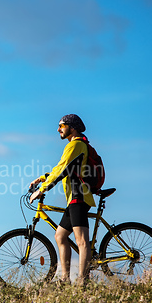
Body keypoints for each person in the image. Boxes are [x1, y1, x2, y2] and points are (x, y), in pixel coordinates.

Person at [29, 114, 95, 286]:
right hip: (73, 198)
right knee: (60, 236)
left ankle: (83, 281)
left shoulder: (76, 144)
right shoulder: (74, 146)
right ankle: (65, 279)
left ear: (72, 127)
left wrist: (41, 190)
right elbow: (62, 168)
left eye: (61, 126)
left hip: (78, 197)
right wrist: (43, 178)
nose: (58, 129)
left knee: (81, 241)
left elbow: (62, 170)